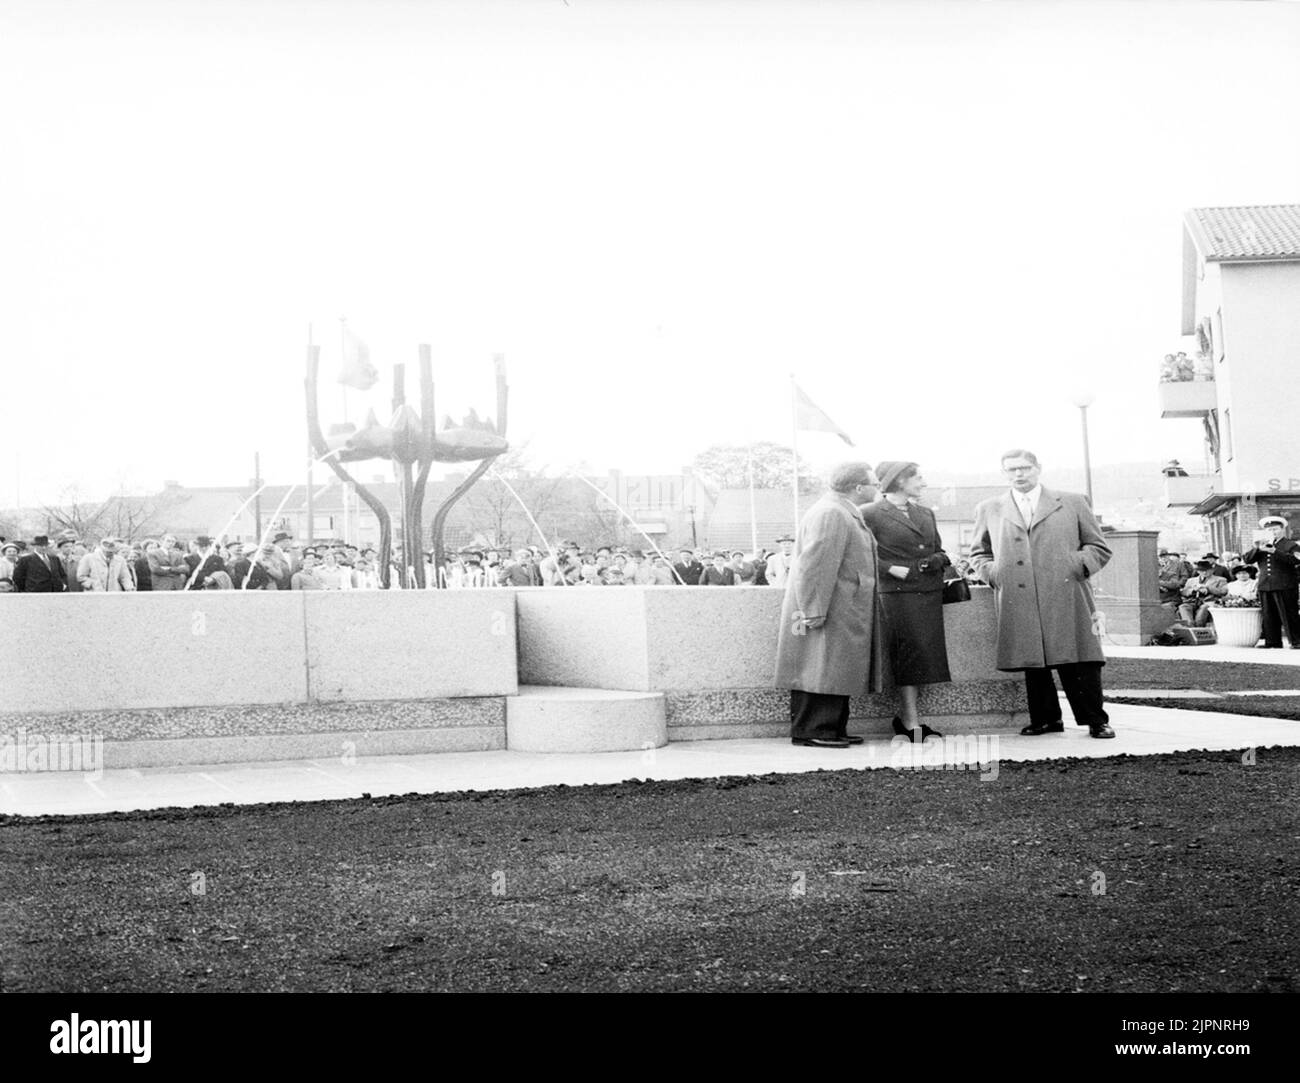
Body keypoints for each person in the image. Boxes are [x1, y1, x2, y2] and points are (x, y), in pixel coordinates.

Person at [968, 449, 1115, 739]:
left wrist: (1076, 566)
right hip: (1018, 594)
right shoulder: (990, 507)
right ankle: (1046, 719)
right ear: (1004, 473)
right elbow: (978, 552)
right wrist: (994, 574)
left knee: (1080, 657)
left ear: (1038, 468)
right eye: (1011, 470)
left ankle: (1095, 720)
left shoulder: (1072, 502)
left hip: (1067, 591)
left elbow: (1098, 547)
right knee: (1033, 660)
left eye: (1024, 468)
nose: (1019, 474)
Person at [774, 461, 884, 749]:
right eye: (874, 483)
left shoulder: (838, 510)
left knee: (832, 667)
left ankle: (830, 728)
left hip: (840, 604)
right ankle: (815, 729)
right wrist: (812, 609)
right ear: (858, 487)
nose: (877, 487)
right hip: (829, 605)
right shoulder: (832, 513)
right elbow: (814, 566)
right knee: (819, 667)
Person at [861, 461, 951, 742]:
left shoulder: (924, 513)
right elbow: (860, 553)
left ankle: (910, 719)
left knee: (925, 658)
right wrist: (888, 568)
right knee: (908, 657)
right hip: (897, 595)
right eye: (917, 477)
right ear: (900, 481)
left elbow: (940, 550)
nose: (923, 482)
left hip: (927, 592)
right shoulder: (870, 513)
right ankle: (910, 721)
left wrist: (933, 560)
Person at [1241, 516, 1300, 648]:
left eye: (1275, 529)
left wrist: (1275, 551)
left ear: (1282, 530)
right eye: (1269, 530)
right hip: (1265, 585)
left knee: (1289, 614)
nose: (1273, 532)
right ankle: (1272, 641)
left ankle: (1296, 641)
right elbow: (1247, 560)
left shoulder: (1291, 545)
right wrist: (1257, 548)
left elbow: (1296, 560)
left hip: (1284, 584)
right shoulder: (1261, 545)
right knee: (1268, 615)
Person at [1177, 559, 1228, 627]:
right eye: (1202, 571)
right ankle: (1190, 626)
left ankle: (1199, 627)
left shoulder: (1221, 580)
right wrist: (1193, 590)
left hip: (1209, 602)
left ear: (1212, 570)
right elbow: (1184, 592)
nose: (1204, 572)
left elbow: (1223, 592)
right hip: (1193, 601)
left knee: (1203, 609)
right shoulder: (1191, 580)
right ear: (1198, 571)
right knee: (1183, 606)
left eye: (1207, 570)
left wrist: (1208, 588)